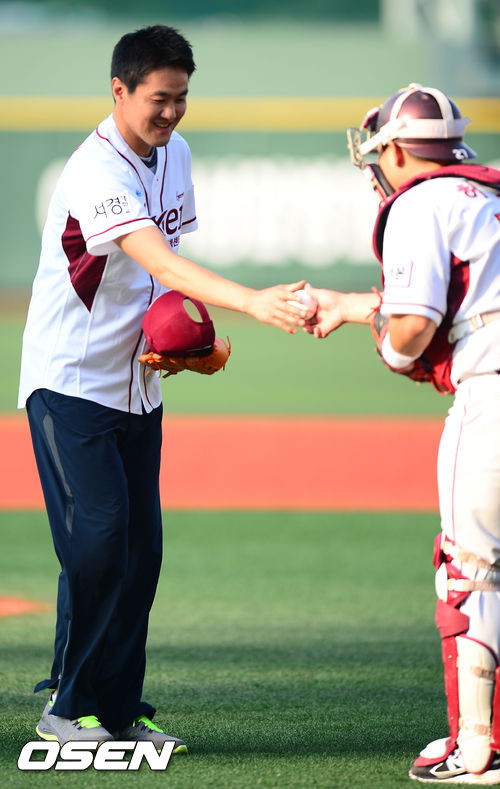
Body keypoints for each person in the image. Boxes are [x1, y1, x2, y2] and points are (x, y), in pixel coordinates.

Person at [18, 24, 305, 752]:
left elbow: (157, 280)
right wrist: (252, 302)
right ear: (119, 90)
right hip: (71, 382)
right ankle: (67, 707)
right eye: (159, 98)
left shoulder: (175, 154)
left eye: (181, 98)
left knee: (139, 551)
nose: (172, 112)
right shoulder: (95, 170)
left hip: (137, 386)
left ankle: (116, 708)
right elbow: (163, 263)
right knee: (98, 544)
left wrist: (183, 347)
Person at [306, 84, 500, 783]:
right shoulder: (489, 193)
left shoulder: (419, 203)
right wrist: (355, 306)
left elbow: (414, 327)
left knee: (471, 570)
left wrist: (389, 346)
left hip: (492, 390)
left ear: (393, 151)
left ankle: (477, 749)